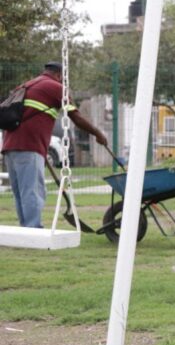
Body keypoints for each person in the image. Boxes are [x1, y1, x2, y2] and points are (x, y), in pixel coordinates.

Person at [1, 61, 107, 228]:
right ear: (59, 75)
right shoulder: (56, 88)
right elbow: (76, 118)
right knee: (32, 191)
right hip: (29, 146)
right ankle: (33, 229)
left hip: (10, 146)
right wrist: (98, 134)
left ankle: (26, 229)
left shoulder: (28, 85)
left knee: (21, 192)